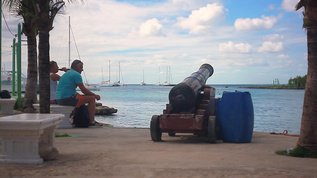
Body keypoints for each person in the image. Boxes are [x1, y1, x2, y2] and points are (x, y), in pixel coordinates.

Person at [56, 59, 102, 126]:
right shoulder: (76, 74)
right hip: (66, 99)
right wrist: (95, 95)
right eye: (81, 67)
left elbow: (71, 91)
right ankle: (92, 122)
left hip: (60, 99)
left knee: (81, 98)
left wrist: (83, 96)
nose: (82, 69)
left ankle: (76, 119)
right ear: (76, 67)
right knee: (91, 98)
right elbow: (83, 90)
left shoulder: (66, 74)